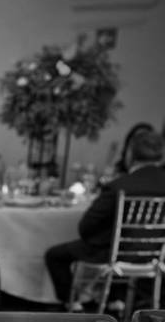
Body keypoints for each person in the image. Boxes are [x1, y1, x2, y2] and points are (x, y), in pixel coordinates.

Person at [45, 130, 165, 307]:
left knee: (55, 255)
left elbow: (86, 227)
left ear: (129, 154)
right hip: (157, 256)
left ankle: (74, 304)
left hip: (112, 254)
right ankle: (116, 299)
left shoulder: (119, 186)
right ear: (161, 156)